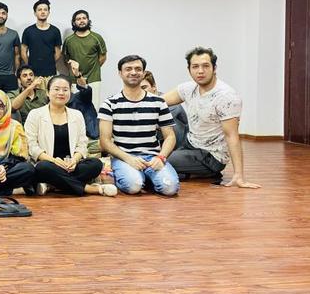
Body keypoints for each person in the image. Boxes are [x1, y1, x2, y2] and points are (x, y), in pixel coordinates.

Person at [163, 47, 261, 188]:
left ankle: (199, 171)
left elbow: (232, 136)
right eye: (195, 66)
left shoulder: (226, 97)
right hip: (190, 141)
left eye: (205, 66)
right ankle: (185, 170)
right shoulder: (188, 88)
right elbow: (158, 101)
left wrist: (239, 176)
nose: (200, 71)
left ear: (214, 68)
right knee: (169, 109)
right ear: (189, 69)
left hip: (210, 156)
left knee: (159, 159)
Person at [99, 55, 180, 196]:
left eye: (138, 69)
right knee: (133, 186)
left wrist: (161, 157)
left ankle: (146, 177)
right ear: (120, 73)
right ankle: (139, 177)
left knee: (170, 189)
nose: (133, 72)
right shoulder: (110, 104)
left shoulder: (159, 102)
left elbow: (170, 136)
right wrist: (128, 159)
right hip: (124, 158)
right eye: (128, 69)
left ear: (143, 73)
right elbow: (105, 141)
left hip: (153, 157)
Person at [24, 76, 115, 197]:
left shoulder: (77, 115)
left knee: (96, 164)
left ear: (70, 93)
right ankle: (90, 189)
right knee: (42, 168)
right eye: (56, 89)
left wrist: (74, 160)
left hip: (71, 165)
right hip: (48, 163)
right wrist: (54, 161)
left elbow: (82, 144)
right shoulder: (35, 114)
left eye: (65, 90)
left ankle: (53, 184)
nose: (61, 93)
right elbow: (32, 146)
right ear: (47, 92)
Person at [63, 9, 107, 112]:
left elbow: (103, 57)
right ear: (74, 22)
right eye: (78, 19)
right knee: (74, 109)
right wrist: (75, 72)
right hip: (74, 81)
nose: (81, 21)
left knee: (93, 108)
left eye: (84, 18)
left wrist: (93, 68)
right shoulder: (69, 40)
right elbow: (66, 60)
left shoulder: (97, 38)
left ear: (88, 20)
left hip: (93, 79)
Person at [140, 70, 188, 149]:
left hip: (180, 148)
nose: (140, 92)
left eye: (144, 87)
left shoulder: (170, 105)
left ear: (154, 86)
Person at [21, 0, 62, 78]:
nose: (43, 12)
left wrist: (49, 63)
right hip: (33, 73)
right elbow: (23, 51)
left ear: (48, 12)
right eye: (40, 10)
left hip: (50, 72)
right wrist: (29, 65)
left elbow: (58, 52)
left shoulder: (55, 31)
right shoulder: (28, 31)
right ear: (35, 13)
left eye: (45, 10)